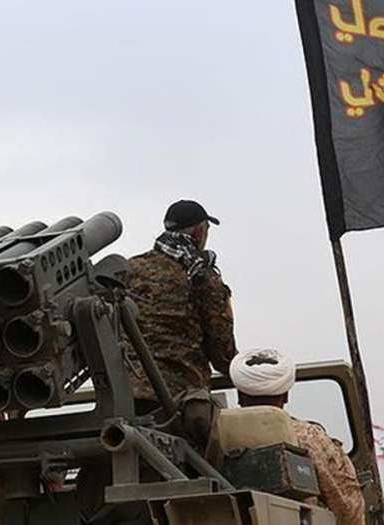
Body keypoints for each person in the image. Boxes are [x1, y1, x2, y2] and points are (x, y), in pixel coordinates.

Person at [123, 199, 237, 442]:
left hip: (123, 395)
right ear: (198, 233)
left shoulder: (129, 269)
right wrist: (241, 371)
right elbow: (222, 351)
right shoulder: (201, 276)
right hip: (180, 406)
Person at [229, 349, 365, 525]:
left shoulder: (217, 437)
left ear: (240, 396)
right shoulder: (308, 437)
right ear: (286, 396)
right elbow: (347, 507)